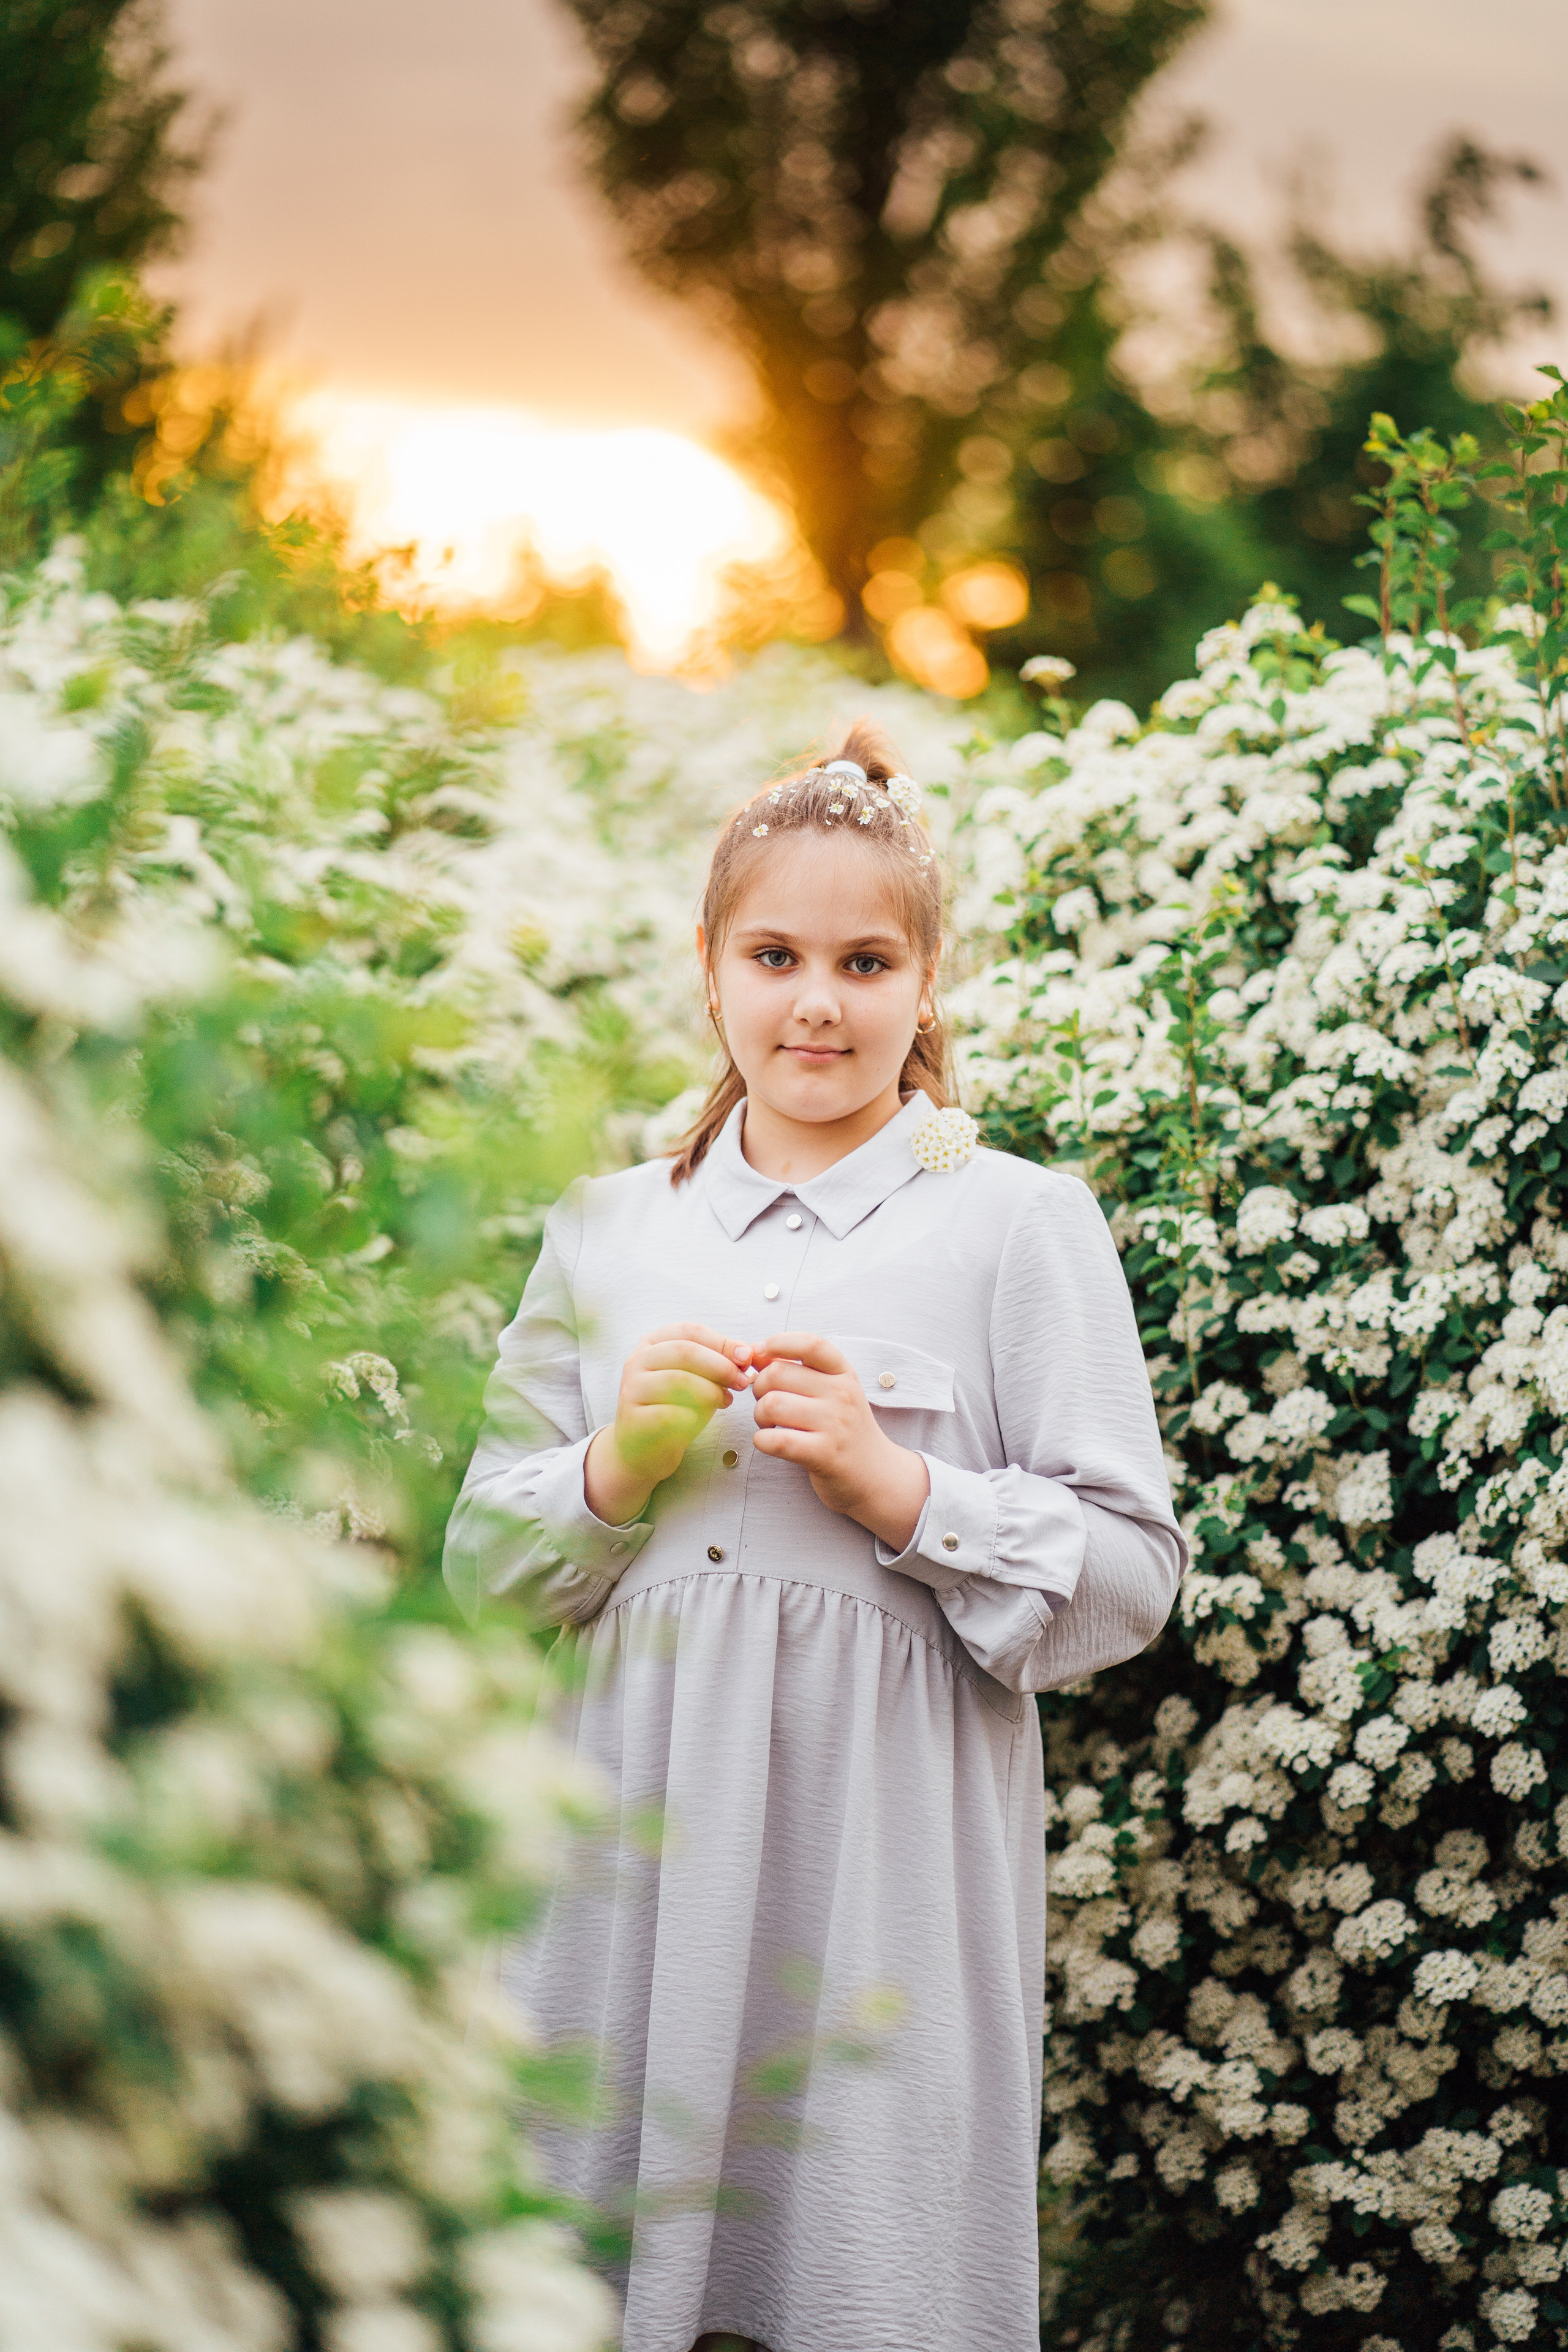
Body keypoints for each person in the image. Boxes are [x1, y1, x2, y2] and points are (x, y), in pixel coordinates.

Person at [443, 722, 1185, 2352]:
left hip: (880, 1873)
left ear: (931, 978)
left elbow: (1132, 1572)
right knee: (592, 2259)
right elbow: (481, 1565)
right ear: (707, 967)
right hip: (631, 1857)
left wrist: (903, 1494)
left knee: (864, 2268)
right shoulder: (607, 1226)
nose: (818, 1004)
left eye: (866, 961)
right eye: (775, 955)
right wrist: (613, 1470)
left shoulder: (1013, 1222)